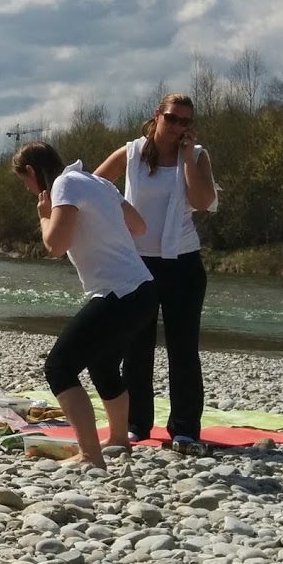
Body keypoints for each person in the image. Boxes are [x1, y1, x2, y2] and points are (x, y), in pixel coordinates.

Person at [12, 141, 156, 470]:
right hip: (144, 290)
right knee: (103, 364)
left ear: (32, 172)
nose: (27, 188)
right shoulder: (97, 182)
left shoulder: (63, 184)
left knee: (59, 368)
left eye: (24, 182)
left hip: (120, 292)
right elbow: (139, 226)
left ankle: (90, 455)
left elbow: (55, 245)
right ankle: (119, 440)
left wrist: (45, 216)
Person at [94, 93, 218, 448]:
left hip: (183, 263)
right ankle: (136, 422)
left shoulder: (196, 155)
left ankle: (184, 428)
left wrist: (186, 160)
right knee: (136, 345)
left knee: (183, 348)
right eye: (172, 119)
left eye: (186, 121)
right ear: (157, 117)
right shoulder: (132, 153)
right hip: (138, 262)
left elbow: (202, 202)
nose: (178, 127)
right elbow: (93, 187)